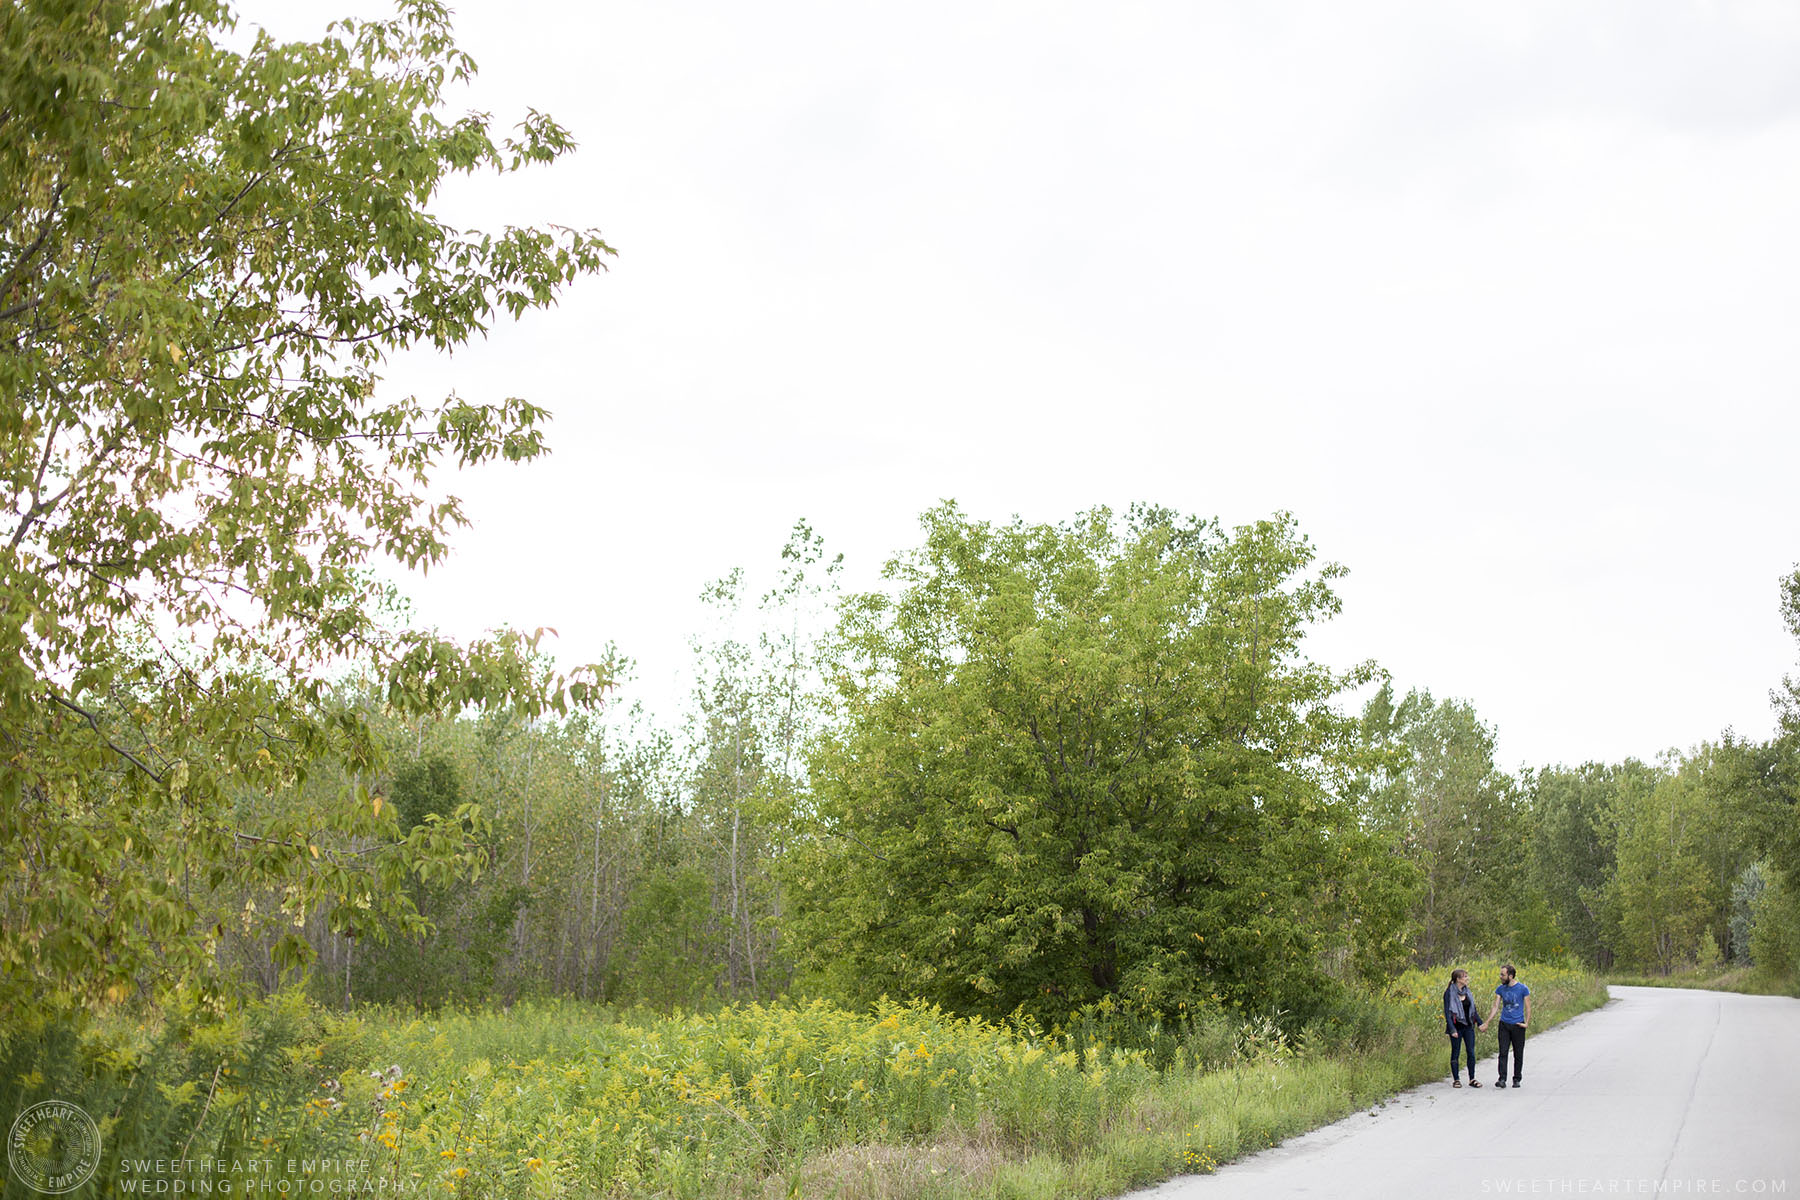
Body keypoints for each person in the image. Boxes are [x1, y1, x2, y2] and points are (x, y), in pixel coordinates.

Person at [1479, 963, 1532, 1088]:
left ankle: (1517, 1078)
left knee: (1518, 1053)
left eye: (1503, 974)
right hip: (1504, 1024)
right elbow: (1495, 1006)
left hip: (1518, 1024)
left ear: (1511, 975)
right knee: (1503, 1052)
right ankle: (1502, 1078)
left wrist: (1526, 1023)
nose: (1500, 977)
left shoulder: (1523, 989)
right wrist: (1487, 1021)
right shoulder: (1500, 989)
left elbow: (1528, 1007)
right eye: (1500, 974)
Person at [1441, 968, 1483, 1087]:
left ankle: (1472, 1079)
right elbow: (1447, 1013)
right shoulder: (1449, 993)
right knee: (1456, 1052)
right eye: (1465, 977)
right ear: (1458, 979)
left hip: (1468, 1026)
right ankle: (1456, 1079)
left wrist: (1480, 1023)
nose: (1467, 979)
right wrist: (1452, 1029)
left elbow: (1473, 1011)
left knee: (1471, 1052)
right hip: (1456, 1027)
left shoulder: (1467, 992)